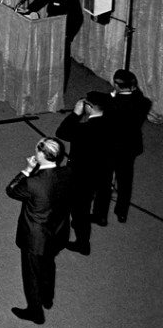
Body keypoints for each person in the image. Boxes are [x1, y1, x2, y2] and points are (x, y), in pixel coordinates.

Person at [5, 137, 74, 324]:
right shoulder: (68, 172)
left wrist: (27, 169)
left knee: (31, 276)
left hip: (35, 238)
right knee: (48, 265)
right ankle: (47, 298)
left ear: (42, 155)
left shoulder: (34, 183)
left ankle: (35, 313)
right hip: (57, 232)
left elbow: (11, 190)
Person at [55, 91, 112, 255]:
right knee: (94, 199)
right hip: (102, 172)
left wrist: (75, 114)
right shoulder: (112, 125)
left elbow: (62, 133)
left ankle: (82, 243)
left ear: (90, 107)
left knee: (79, 211)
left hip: (81, 177)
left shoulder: (83, 129)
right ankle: (99, 216)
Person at [21, 0, 83, 84]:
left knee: (62, 57)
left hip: (65, 28)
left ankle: (61, 85)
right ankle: (49, 79)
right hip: (54, 25)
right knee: (51, 54)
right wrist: (29, 9)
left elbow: (75, 17)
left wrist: (68, 35)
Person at [108, 69, 152, 223]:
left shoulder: (113, 104)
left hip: (112, 145)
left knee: (105, 172)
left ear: (116, 85)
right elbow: (139, 98)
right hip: (130, 146)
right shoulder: (144, 103)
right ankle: (122, 212)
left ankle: (103, 204)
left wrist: (113, 96)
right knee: (126, 180)